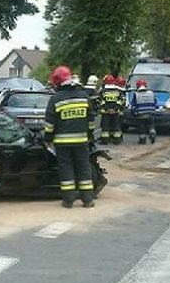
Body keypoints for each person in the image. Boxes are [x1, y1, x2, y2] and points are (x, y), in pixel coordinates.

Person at [43, 66, 95, 208]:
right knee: (84, 168)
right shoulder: (84, 96)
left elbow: (49, 124)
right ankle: (88, 199)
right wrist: (89, 136)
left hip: (62, 142)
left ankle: (68, 200)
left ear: (57, 82)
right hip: (81, 141)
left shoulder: (56, 99)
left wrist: (47, 139)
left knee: (67, 169)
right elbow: (91, 120)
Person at [98, 74, 125, 145]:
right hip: (116, 112)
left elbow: (101, 101)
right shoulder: (118, 91)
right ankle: (116, 140)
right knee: (115, 126)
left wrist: (107, 109)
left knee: (105, 127)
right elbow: (120, 101)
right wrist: (115, 109)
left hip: (105, 112)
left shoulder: (103, 91)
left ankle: (105, 140)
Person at [131, 78, 157, 144]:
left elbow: (133, 105)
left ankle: (142, 139)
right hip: (151, 113)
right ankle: (152, 133)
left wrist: (133, 113)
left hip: (141, 114)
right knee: (151, 125)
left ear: (137, 86)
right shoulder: (151, 93)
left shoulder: (136, 94)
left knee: (141, 127)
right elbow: (155, 102)